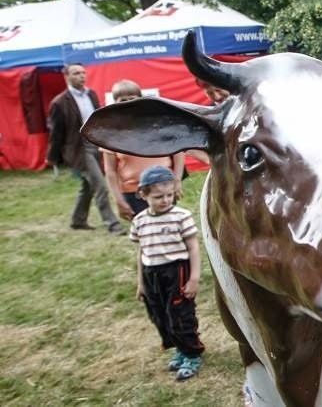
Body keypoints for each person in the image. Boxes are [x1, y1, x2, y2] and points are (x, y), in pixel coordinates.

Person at [130, 166, 205, 381]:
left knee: (180, 314)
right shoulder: (140, 221)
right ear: (142, 195)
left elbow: (193, 247)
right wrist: (141, 282)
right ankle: (180, 349)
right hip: (151, 272)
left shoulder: (181, 216)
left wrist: (194, 278)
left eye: (169, 195)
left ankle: (192, 353)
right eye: (158, 196)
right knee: (160, 315)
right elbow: (141, 250)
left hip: (176, 270)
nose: (165, 200)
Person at [46, 63, 125, 235]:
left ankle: (78, 220)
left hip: (96, 145)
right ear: (66, 76)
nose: (81, 76)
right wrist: (52, 157)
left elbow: (99, 119)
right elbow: (56, 133)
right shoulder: (59, 103)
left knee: (87, 186)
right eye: (76, 73)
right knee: (100, 186)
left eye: (83, 72)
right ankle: (113, 225)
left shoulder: (91, 94)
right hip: (78, 150)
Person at [103, 80, 185, 219]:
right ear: (116, 102)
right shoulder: (111, 132)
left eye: (132, 99)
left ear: (140, 100)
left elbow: (178, 153)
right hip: (134, 193)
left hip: (164, 187)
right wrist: (118, 199)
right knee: (147, 233)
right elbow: (110, 171)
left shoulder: (159, 124)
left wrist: (177, 181)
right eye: (123, 100)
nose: (128, 103)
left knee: (171, 228)